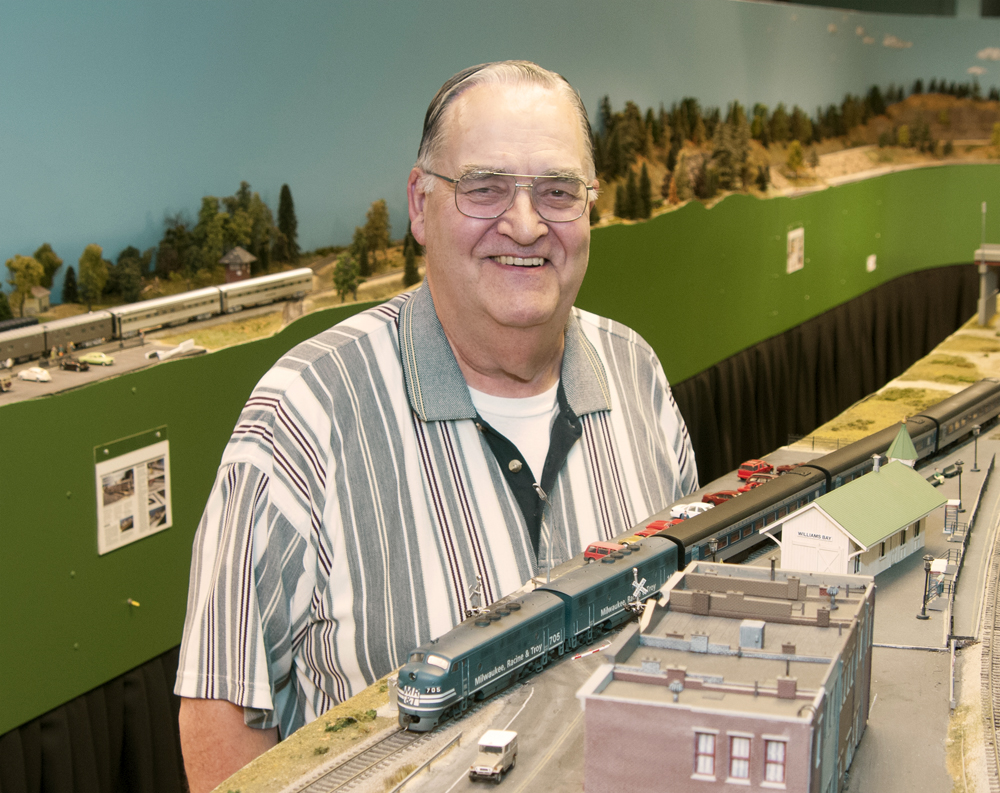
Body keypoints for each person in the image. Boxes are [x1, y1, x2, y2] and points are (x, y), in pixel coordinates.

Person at [175, 60, 698, 791]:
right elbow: (225, 711)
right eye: (484, 187)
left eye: (557, 191)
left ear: (590, 209)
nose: (524, 223)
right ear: (420, 205)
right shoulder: (303, 414)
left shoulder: (635, 373)